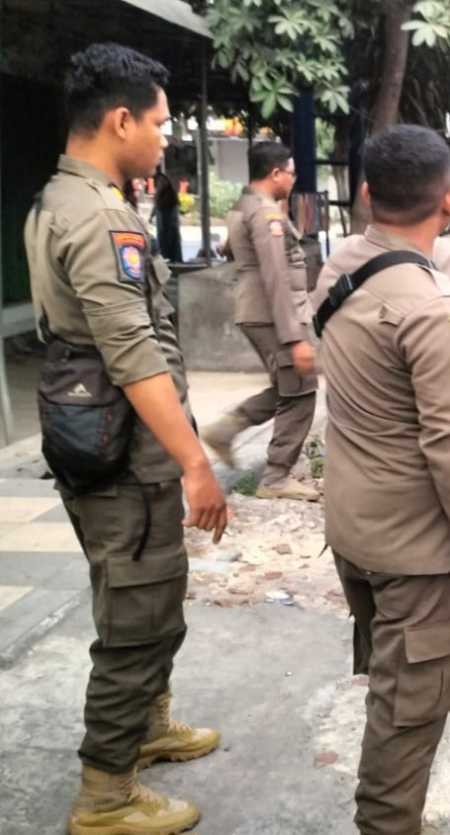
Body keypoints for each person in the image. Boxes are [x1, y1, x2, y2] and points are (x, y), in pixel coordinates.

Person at [25, 43, 227, 835]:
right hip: (125, 448)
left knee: (139, 601)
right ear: (119, 120)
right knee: (139, 619)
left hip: (87, 435)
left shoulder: (54, 199)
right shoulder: (104, 216)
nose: (165, 138)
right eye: (159, 123)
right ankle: (105, 794)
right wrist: (195, 463)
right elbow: (133, 353)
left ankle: (147, 726)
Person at [312, 124, 450, 835]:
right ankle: (388, 824)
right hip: (413, 549)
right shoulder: (435, 308)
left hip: (353, 527)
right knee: (410, 710)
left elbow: (431, 253)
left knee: (391, 684)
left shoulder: (341, 266)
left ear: (367, 193)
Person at [200, 143, 321, 502]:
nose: (293, 179)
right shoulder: (266, 214)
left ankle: (225, 429)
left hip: (255, 312)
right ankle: (277, 477)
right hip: (272, 314)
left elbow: (230, 249)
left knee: (288, 386)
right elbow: (275, 277)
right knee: (301, 391)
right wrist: (294, 336)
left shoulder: (244, 205)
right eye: (292, 172)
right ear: (275, 174)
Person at [152, 172, 183, 264]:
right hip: (161, 224)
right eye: (160, 181)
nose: (161, 183)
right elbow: (156, 208)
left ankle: (174, 260)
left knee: (171, 242)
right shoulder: (158, 195)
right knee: (162, 242)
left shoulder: (171, 194)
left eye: (163, 180)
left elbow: (175, 209)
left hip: (170, 224)